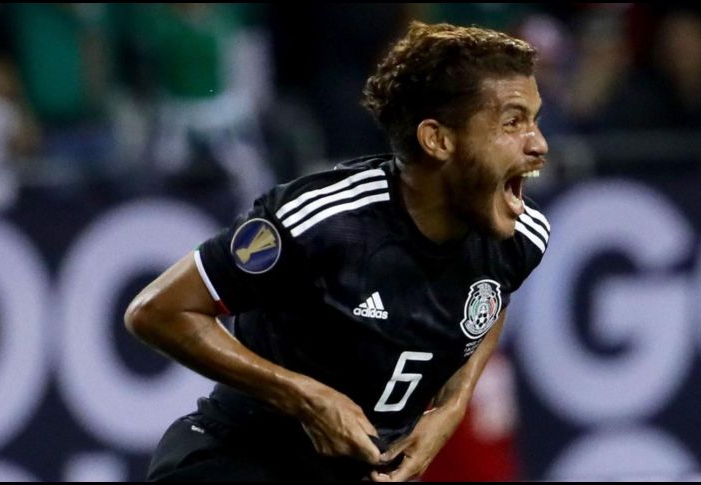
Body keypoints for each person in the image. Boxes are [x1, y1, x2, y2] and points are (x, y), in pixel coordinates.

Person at [125, 21, 550, 482]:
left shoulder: (522, 237)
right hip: (240, 457)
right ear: (438, 140)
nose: (539, 144)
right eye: (513, 122)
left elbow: (490, 301)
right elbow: (157, 310)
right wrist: (304, 397)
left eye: (535, 119)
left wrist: (452, 404)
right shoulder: (324, 221)